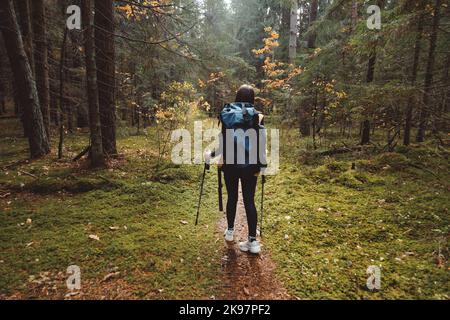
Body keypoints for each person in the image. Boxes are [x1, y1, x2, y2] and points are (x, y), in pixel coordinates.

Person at [205, 85, 265, 254]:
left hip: (230, 163)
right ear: (252, 98)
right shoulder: (258, 116)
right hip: (251, 164)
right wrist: (261, 165)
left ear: (237, 97)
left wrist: (213, 154)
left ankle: (230, 232)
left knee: (232, 196)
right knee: (249, 200)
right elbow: (261, 143)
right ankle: (252, 242)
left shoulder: (228, 114)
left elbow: (224, 142)